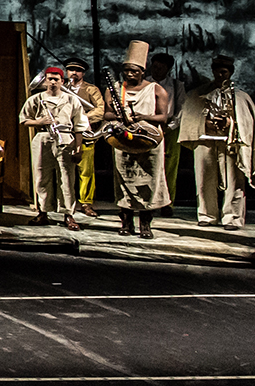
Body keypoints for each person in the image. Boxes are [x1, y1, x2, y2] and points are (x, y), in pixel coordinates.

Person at [177, 54, 255, 228]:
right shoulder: (198, 94)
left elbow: (247, 122)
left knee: (234, 181)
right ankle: (207, 215)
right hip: (205, 140)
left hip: (230, 142)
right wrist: (203, 122)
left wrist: (230, 123)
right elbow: (189, 117)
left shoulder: (240, 97)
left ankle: (233, 217)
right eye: (217, 71)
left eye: (224, 72)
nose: (220, 75)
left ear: (230, 73)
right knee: (204, 180)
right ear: (212, 71)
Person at [106, 41, 171, 239]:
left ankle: (145, 224)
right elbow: (106, 114)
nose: (130, 74)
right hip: (124, 141)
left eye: (134, 71)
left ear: (143, 71)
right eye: (126, 70)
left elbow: (163, 117)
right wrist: (120, 116)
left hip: (148, 141)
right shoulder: (115, 89)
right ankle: (126, 222)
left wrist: (142, 117)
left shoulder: (157, 90)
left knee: (149, 182)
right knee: (124, 180)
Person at [19, 66, 89, 230]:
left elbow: (80, 126)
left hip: (65, 138)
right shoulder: (36, 99)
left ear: (62, 81)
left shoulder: (71, 100)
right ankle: (43, 212)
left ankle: (68, 214)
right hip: (43, 138)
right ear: (44, 81)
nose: (52, 82)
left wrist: (78, 148)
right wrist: (39, 122)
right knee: (41, 176)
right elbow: (24, 119)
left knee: (67, 178)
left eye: (56, 79)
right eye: (49, 79)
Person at [63, 58, 106, 217]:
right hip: (65, 135)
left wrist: (81, 118)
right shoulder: (61, 88)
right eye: (71, 69)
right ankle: (66, 203)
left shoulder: (91, 89)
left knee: (86, 171)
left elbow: (100, 110)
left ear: (83, 73)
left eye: (78, 70)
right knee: (64, 171)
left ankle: (86, 203)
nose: (74, 73)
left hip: (85, 135)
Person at [149, 52, 185, 209]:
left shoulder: (176, 85)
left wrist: (169, 128)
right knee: (149, 165)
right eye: (154, 67)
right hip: (148, 127)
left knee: (169, 166)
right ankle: (149, 201)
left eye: (161, 68)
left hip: (170, 128)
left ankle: (168, 203)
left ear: (168, 69)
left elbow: (181, 110)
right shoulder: (145, 83)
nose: (156, 71)